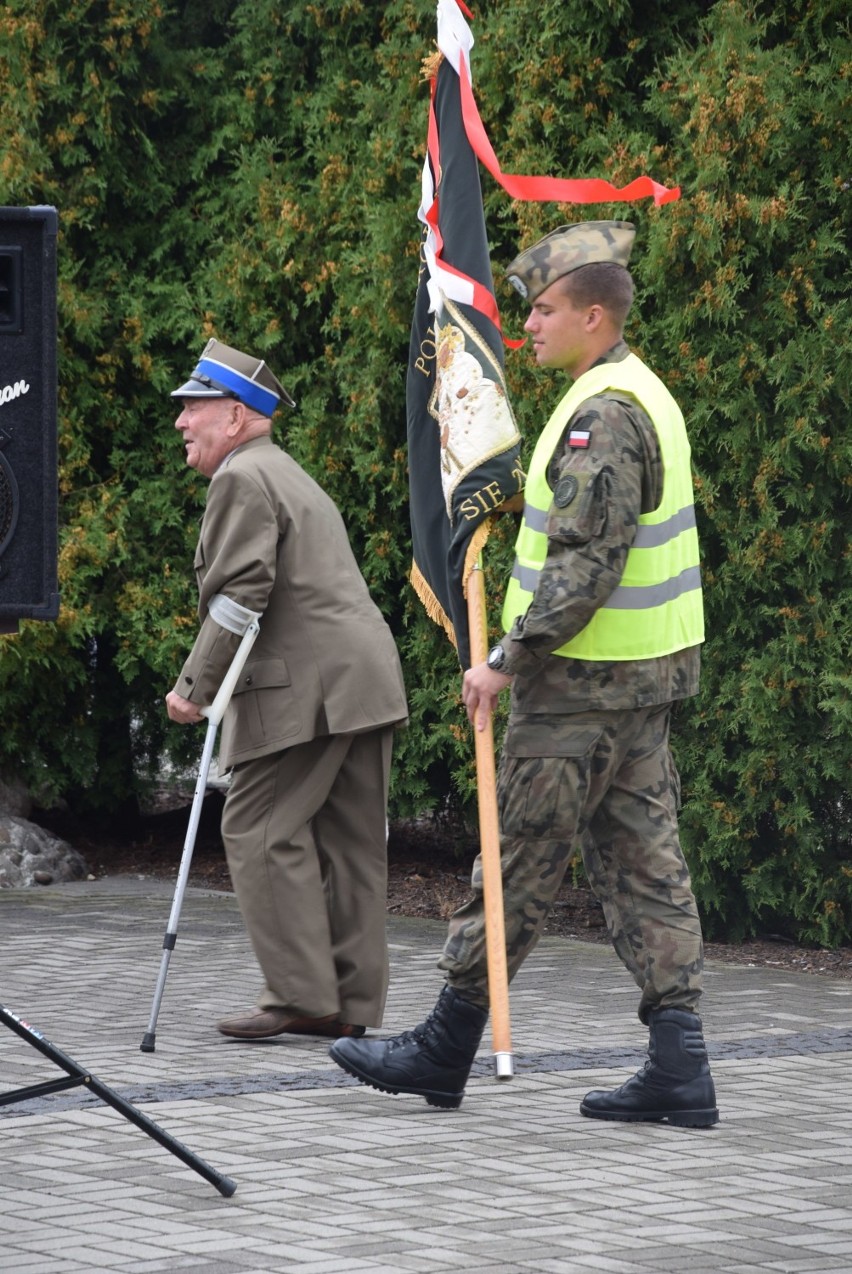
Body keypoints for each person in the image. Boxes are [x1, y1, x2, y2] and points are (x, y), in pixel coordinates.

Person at [330, 221, 718, 1127]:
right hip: (636, 684)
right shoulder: (640, 393)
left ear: (592, 314)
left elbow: (588, 566)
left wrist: (505, 661)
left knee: (515, 867)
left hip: (577, 689)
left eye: (542, 311)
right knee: (646, 866)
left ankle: (445, 1045)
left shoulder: (601, 415)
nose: (527, 327)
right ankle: (681, 1063)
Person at [166, 338, 408, 1040]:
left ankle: (303, 996)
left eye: (194, 408)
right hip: (362, 680)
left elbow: (242, 593)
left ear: (236, 417)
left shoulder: (242, 477)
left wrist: (195, 686)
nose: (181, 421)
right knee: (351, 845)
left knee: (257, 828)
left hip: (309, 688)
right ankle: (351, 1006)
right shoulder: (285, 472)